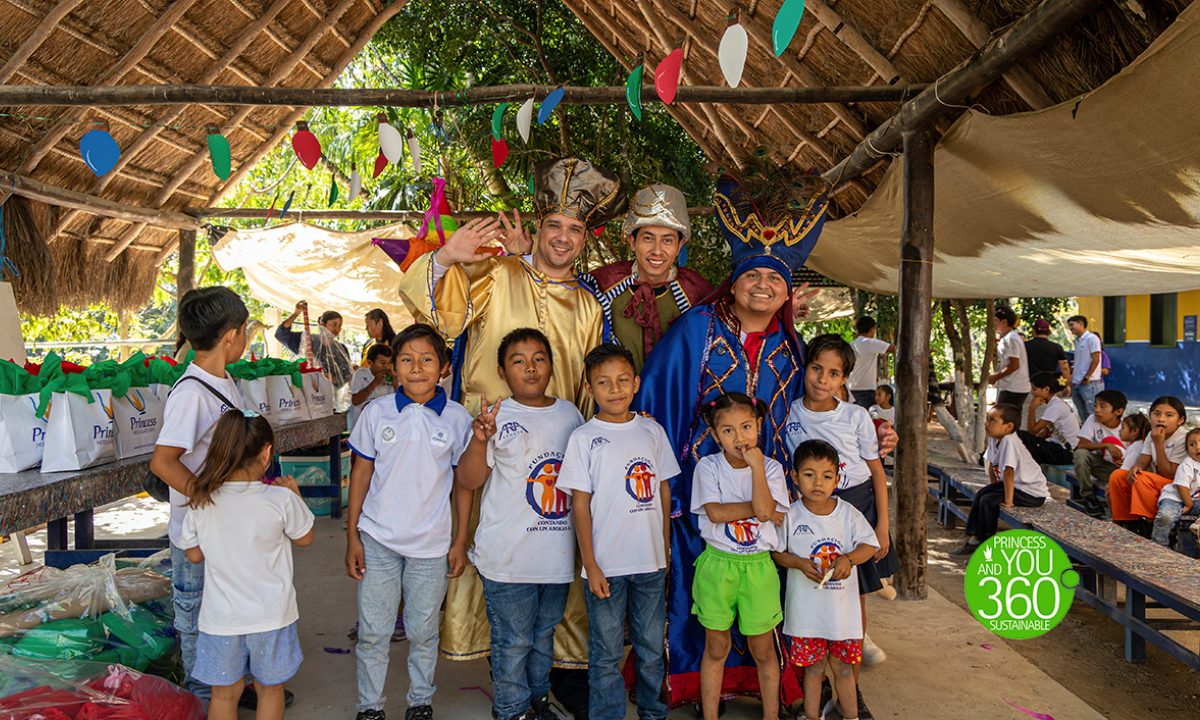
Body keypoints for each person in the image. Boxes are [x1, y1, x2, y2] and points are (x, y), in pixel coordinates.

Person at [636, 167, 895, 706]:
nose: (762, 285)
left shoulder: (793, 351)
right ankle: (696, 687)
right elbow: (657, 404)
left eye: (774, 279)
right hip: (703, 493)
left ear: (787, 292)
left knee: (767, 598)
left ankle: (770, 686)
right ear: (735, 281)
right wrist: (668, 493)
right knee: (702, 598)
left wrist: (869, 434)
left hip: (771, 499)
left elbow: (815, 414)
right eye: (752, 275)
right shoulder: (698, 330)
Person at [397, 158, 627, 702]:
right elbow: (443, 319)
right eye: (554, 226)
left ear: (585, 239)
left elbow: (590, 390)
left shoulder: (589, 305)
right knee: (491, 546)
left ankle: (557, 672)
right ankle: (505, 677)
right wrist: (445, 258)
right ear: (539, 228)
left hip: (558, 456)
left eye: (575, 229)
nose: (563, 238)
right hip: (493, 444)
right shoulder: (499, 274)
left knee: (556, 551)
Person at [453, 328, 584, 720]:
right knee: (513, 641)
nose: (530, 368)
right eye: (518, 361)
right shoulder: (496, 417)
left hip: (556, 556)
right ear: (502, 371)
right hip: (507, 557)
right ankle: (511, 710)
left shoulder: (570, 415)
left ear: (551, 366)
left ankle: (537, 700)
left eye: (539, 359)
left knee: (543, 636)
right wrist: (480, 439)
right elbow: (468, 480)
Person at [345, 324, 474, 720]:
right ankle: (370, 706)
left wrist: (459, 540)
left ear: (444, 367)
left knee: (423, 630)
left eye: (427, 359)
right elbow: (361, 475)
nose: (417, 368)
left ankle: (420, 702)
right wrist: (353, 536)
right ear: (394, 367)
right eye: (407, 359)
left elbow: (463, 486)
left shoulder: (457, 418)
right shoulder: (377, 412)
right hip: (378, 538)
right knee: (373, 631)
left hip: (431, 546)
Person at [557, 343, 679, 720]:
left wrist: (665, 548)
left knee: (650, 649)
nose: (615, 389)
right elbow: (580, 504)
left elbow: (662, 490)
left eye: (623, 380)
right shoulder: (583, 438)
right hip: (606, 566)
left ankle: (653, 713)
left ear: (636, 383)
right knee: (606, 653)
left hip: (650, 564)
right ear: (589, 388)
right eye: (604, 382)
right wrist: (590, 564)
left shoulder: (652, 430)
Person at [180, 410, 315, 720]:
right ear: (266, 453)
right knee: (270, 689)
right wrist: (295, 494)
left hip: (221, 619)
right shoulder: (280, 499)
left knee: (224, 694)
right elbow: (305, 538)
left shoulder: (202, 500)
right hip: (271, 617)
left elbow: (194, 555)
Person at [149, 286, 248, 703]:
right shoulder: (191, 393)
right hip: (196, 534)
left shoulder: (223, 381)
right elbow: (163, 461)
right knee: (197, 622)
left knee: (228, 614)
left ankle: (232, 685)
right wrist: (207, 497)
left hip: (223, 531)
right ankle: (203, 699)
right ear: (231, 335)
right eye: (245, 331)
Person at [782, 334, 894, 698]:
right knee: (812, 588)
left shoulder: (855, 416)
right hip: (810, 508)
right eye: (816, 368)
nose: (822, 379)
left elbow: (876, 471)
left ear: (844, 379)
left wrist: (882, 526)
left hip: (856, 504)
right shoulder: (788, 412)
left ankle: (851, 688)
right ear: (805, 368)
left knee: (853, 595)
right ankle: (815, 683)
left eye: (833, 373)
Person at [691, 393, 789, 720]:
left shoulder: (771, 469)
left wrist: (757, 466)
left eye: (746, 427)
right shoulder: (708, 467)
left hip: (758, 568)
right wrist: (761, 510)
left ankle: (772, 715)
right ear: (715, 435)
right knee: (716, 647)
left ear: (759, 426)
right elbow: (717, 514)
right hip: (717, 566)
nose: (739, 438)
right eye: (728, 430)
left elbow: (765, 511)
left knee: (763, 649)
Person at [772, 439, 879, 720]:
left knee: (843, 669)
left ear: (837, 480)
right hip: (807, 616)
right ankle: (812, 715)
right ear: (795, 477)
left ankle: (851, 716)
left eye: (827, 476)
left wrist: (849, 559)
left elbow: (870, 545)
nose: (818, 483)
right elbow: (776, 553)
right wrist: (798, 563)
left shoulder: (848, 514)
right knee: (814, 669)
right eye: (809, 474)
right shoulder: (791, 516)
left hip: (842, 616)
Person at [583, 184, 714, 371]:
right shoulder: (603, 284)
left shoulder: (697, 293)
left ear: (679, 245)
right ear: (632, 241)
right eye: (648, 238)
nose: (657, 250)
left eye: (667, 240)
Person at [954, 404, 1049, 555]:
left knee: (988, 501)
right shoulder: (994, 438)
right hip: (1014, 487)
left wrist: (1008, 501)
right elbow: (992, 465)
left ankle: (985, 541)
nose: (987, 423)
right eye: (987, 419)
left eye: (992, 420)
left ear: (1008, 426)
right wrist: (994, 487)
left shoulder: (1010, 441)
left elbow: (1009, 472)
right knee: (982, 494)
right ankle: (974, 536)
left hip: (1031, 493)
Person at [1107, 396, 1187, 535]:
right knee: (1118, 476)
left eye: (1169, 415)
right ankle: (1127, 522)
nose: (1161, 419)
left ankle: (1150, 524)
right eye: (1156, 414)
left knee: (1142, 479)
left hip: (1178, 486)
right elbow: (1144, 460)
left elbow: (1169, 473)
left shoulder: (1183, 438)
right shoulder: (1152, 434)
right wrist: (1136, 467)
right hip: (1158, 482)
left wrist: (1158, 444)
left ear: (1180, 420)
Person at [1071, 389, 1128, 517]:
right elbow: (1081, 444)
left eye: (1103, 406)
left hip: (1123, 472)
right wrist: (1106, 445)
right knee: (1080, 454)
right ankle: (1088, 497)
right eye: (1095, 405)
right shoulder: (1093, 419)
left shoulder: (1128, 426)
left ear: (1118, 411)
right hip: (1103, 468)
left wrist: (1125, 463)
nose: (1097, 410)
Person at [275, 301, 353, 391]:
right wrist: (296, 313)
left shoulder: (341, 349)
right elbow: (281, 335)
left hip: (331, 394)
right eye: (333, 324)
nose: (337, 329)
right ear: (322, 325)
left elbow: (347, 374)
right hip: (307, 392)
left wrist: (333, 379)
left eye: (339, 326)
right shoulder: (306, 340)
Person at [1017, 372, 1080, 466]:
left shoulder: (1055, 407)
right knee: (1023, 441)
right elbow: (1046, 432)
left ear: (1046, 389)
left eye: (1034, 389)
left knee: (1019, 435)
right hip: (1065, 450)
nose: (1031, 392)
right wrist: (1033, 442)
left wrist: (1032, 408)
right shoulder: (1055, 403)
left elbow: (1032, 431)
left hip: (1065, 453)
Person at [1151, 427, 1200, 546]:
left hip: (1194, 500)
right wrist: (1188, 504)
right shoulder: (1187, 464)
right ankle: (1158, 544)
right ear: (1187, 450)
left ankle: (1195, 526)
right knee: (1165, 517)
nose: (1197, 447)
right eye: (1192, 444)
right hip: (1175, 499)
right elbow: (1181, 486)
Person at [988, 306, 1030, 413]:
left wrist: (995, 377)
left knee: (1003, 417)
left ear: (1004, 322)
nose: (993, 323)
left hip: (1014, 387)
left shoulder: (1011, 338)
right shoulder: (1006, 338)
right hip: (1010, 386)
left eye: (996, 320)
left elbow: (1014, 365)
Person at [848, 317, 893, 409]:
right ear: (872, 329)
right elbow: (894, 349)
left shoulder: (852, 344)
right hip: (866, 391)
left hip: (851, 389)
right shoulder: (870, 342)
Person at [349, 344, 394, 429]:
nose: (387, 367)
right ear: (370, 362)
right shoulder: (361, 374)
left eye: (389, 363)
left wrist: (394, 380)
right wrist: (375, 383)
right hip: (362, 427)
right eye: (383, 363)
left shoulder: (391, 377)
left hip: (383, 427)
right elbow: (355, 401)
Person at [1067, 314, 1104, 420]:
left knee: (1093, 412)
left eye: (1072, 325)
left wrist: (1087, 377)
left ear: (1081, 324)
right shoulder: (1077, 341)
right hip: (1077, 382)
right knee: (1082, 413)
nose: (1070, 328)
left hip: (1090, 382)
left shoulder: (1092, 338)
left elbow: (1096, 359)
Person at [1024, 319, 1070, 390]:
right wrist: (1066, 385)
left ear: (1034, 331)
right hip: (1050, 386)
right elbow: (1065, 368)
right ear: (1048, 332)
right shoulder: (1057, 347)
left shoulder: (1025, 346)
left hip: (1030, 384)